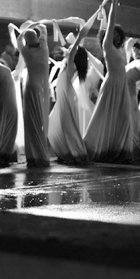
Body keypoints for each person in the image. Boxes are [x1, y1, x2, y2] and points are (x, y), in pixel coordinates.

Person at [83, 0, 139, 164]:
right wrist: (113, 3)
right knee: (106, 117)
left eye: (116, 34)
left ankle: (120, 149)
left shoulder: (119, 50)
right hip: (112, 84)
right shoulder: (106, 46)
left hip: (121, 86)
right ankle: (102, 148)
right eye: (111, 33)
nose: (113, 35)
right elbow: (109, 26)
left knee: (123, 118)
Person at [47, 10, 101, 165]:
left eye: (72, 49)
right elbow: (67, 44)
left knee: (65, 122)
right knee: (58, 122)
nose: (68, 48)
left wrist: (95, 13)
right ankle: (67, 150)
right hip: (64, 92)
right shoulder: (70, 59)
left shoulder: (71, 61)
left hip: (66, 93)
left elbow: (81, 35)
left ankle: (74, 151)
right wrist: (57, 24)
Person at [19, 22, 52, 167]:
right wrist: (34, 24)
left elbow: (19, 39)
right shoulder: (44, 48)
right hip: (43, 88)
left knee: (31, 121)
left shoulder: (25, 51)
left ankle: (33, 154)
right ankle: (41, 152)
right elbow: (44, 28)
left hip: (30, 87)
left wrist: (24, 31)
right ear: (37, 38)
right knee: (41, 120)